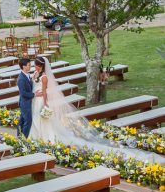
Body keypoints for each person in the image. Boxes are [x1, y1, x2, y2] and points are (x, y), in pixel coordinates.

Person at [29, 56, 164, 164]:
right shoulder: (36, 74)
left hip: (41, 101)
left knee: (44, 120)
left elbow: (45, 92)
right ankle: (37, 136)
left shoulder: (45, 77)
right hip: (36, 100)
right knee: (37, 119)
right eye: (36, 65)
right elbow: (35, 85)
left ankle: (46, 137)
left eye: (38, 66)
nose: (36, 67)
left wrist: (45, 104)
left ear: (43, 66)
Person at [16, 58, 38, 138]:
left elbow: (28, 85)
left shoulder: (27, 75)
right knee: (28, 121)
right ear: (23, 66)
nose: (30, 66)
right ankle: (24, 138)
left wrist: (33, 79)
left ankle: (19, 137)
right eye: (29, 65)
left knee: (22, 121)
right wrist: (34, 94)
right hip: (25, 103)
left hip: (27, 102)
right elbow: (23, 93)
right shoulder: (21, 79)